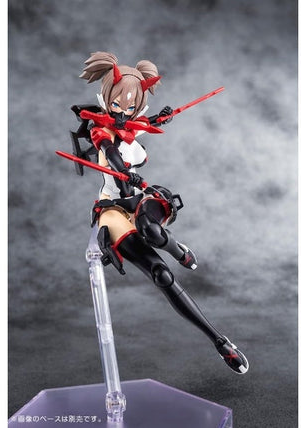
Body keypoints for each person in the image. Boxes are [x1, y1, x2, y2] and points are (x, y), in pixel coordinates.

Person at [72, 51, 248, 374]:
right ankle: (220, 342)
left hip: (139, 198)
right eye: (117, 105)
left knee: (152, 231)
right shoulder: (100, 129)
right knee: (161, 275)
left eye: (130, 107)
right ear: (106, 99)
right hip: (112, 208)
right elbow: (110, 152)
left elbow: (143, 125)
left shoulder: (132, 125)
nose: (122, 112)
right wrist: (123, 171)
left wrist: (162, 118)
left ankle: (179, 250)